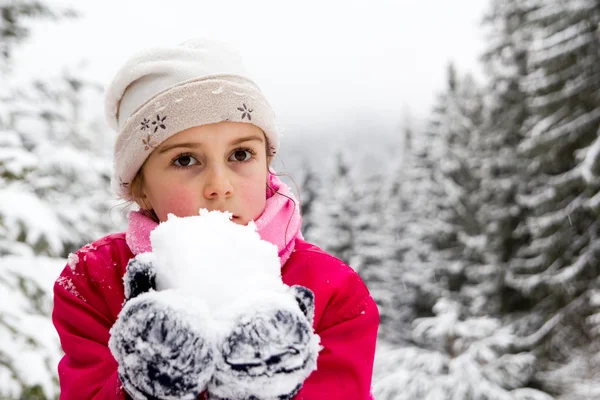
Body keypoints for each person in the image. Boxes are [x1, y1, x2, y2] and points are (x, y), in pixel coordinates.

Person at [52, 38, 379, 400]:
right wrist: (139, 387)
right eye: (185, 160)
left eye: (241, 154)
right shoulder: (95, 281)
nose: (219, 186)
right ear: (141, 188)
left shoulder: (333, 291)